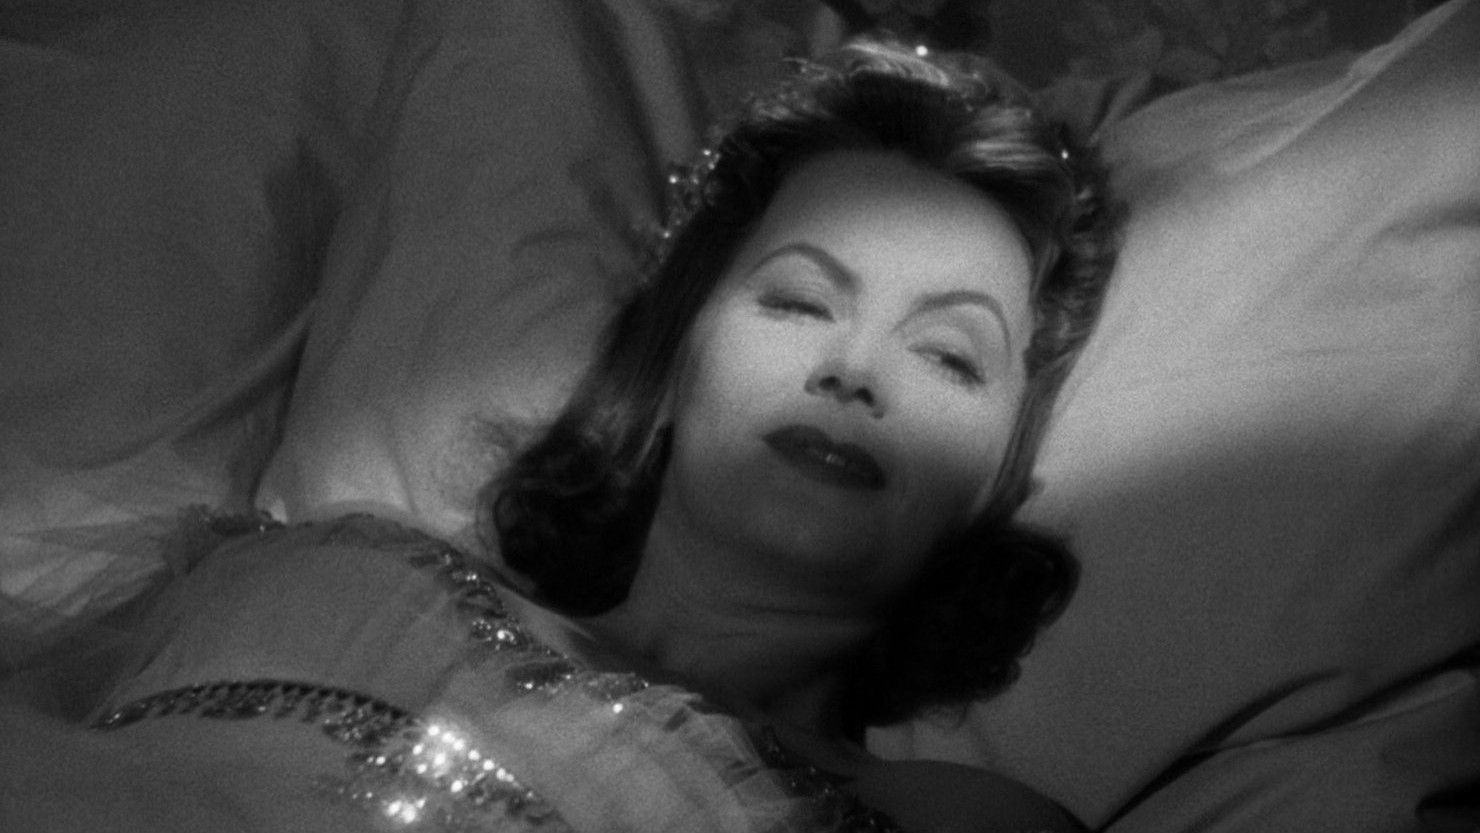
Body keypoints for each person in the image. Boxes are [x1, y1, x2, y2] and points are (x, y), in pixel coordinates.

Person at [0, 39, 1114, 833]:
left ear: (1000, 473)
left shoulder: (955, 818)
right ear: (677, 351)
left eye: (949, 355)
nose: (851, 369)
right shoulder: (317, 574)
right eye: (798, 300)